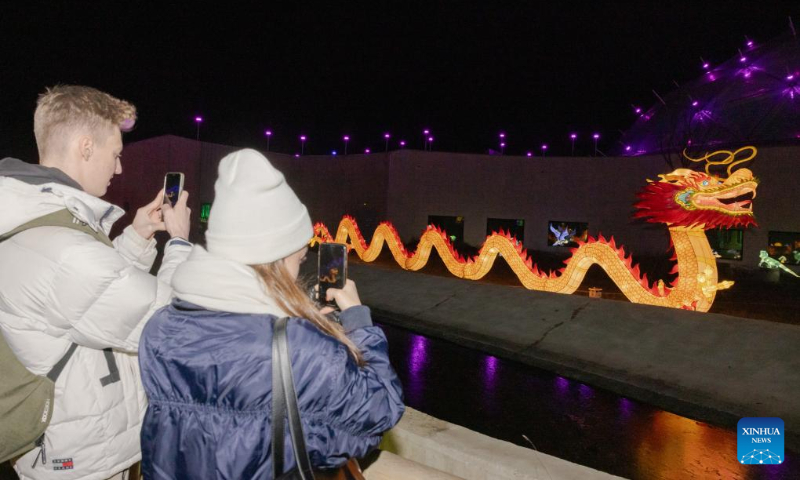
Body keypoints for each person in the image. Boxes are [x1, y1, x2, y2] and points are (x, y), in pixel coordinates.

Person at [139, 148, 405, 479]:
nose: (297, 272)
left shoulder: (159, 328)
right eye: (299, 259)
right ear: (277, 257)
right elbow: (380, 412)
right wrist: (357, 322)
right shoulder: (298, 348)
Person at [0, 85, 192, 479]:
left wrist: (137, 236)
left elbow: (91, 298)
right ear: (86, 148)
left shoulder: (39, 224)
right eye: (116, 154)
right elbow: (169, 324)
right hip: (79, 460)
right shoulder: (65, 250)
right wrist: (179, 244)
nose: (119, 168)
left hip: (84, 446)